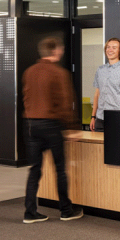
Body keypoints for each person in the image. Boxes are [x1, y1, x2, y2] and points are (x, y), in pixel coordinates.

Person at [22, 35, 84, 224]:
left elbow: (26, 98)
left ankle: (30, 212)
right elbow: (65, 103)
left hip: (31, 125)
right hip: (51, 125)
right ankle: (66, 210)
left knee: (34, 169)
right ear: (55, 51)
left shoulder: (29, 72)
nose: (62, 51)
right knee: (60, 169)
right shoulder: (59, 73)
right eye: (61, 48)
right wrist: (72, 127)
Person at [90, 37, 120, 132]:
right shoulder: (100, 70)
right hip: (100, 119)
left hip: (117, 119)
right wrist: (93, 116)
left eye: (114, 47)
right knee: (98, 147)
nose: (110, 50)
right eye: (108, 47)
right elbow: (97, 94)